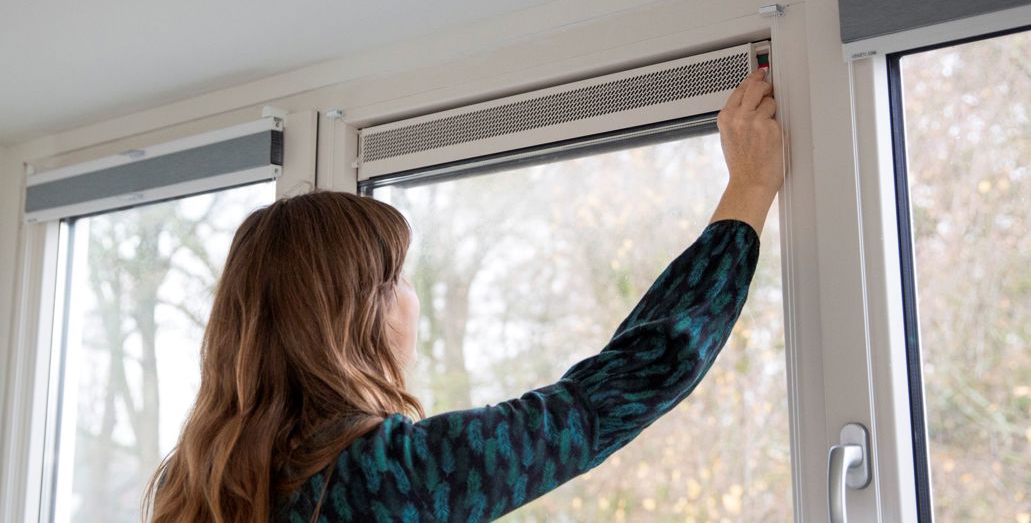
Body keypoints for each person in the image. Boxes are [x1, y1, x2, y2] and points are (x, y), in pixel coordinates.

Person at [143, 67, 783, 522]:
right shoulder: (389, 475)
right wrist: (749, 191)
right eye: (402, 279)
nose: (412, 300)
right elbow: (619, 387)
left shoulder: (190, 485)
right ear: (360, 312)